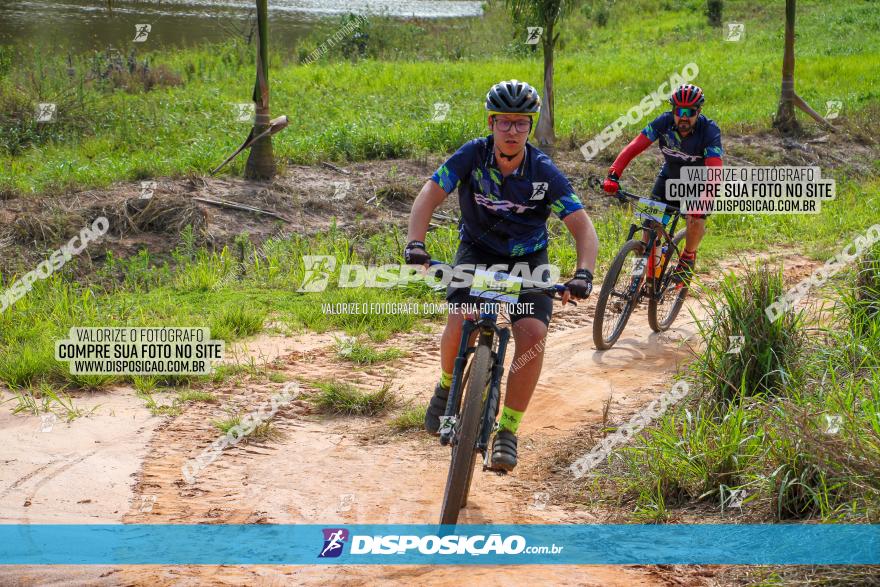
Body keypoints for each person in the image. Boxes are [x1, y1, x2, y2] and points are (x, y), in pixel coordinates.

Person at [404, 80, 599, 471]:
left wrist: (584, 274)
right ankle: (446, 387)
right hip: (477, 253)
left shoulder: (543, 172)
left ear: (530, 127)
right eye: (504, 123)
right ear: (492, 123)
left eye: (521, 124)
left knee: (533, 334)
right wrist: (415, 244)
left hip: (529, 259)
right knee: (460, 319)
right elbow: (429, 194)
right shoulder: (471, 156)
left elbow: (583, 227)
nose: (512, 131)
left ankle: (508, 430)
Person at [603, 84, 723, 283]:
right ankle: (636, 279)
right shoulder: (664, 122)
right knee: (648, 231)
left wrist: (703, 201)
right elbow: (635, 146)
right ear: (672, 110)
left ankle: (688, 257)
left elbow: (715, 172)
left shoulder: (709, 131)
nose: (683, 117)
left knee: (695, 218)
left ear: (699, 111)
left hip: (698, 182)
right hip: (669, 177)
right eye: (679, 111)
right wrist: (613, 175)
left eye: (690, 112)